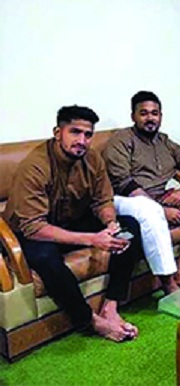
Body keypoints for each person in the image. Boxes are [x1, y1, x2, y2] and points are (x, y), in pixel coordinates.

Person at [3, 106, 141, 342]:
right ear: (58, 133)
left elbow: (103, 200)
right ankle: (91, 321)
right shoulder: (35, 166)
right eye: (75, 132)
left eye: (88, 134)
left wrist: (110, 223)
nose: (82, 141)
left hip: (71, 220)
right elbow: (34, 227)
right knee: (45, 257)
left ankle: (111, 306)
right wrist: (92, 239)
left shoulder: (92, 159)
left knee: (129, 227)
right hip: (32, 231)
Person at [102, 91, 180, 291]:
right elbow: (124, 183)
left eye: (154, 113)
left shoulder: (164, 141)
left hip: (160, 197)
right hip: (127, 201)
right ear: (133, 116)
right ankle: (168, 283)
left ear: (160, 116)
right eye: (144, 113)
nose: (150, 118)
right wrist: (162, 210)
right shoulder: (121, 140)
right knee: (150, 210)